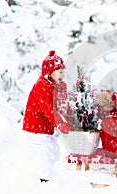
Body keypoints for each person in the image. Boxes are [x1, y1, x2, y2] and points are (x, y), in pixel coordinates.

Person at [22, 50, 73, 182]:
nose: (63, 74)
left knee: (54, 153)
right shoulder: (42, 85)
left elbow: (62, 107)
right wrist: (61, 124)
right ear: (50, 73)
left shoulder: (55, 85)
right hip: (36, 129)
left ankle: (45, 178)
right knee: (45, 153)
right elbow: (49, 109)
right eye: (60, 72)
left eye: (63, 71)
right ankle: (43, 180)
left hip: (45, 129)